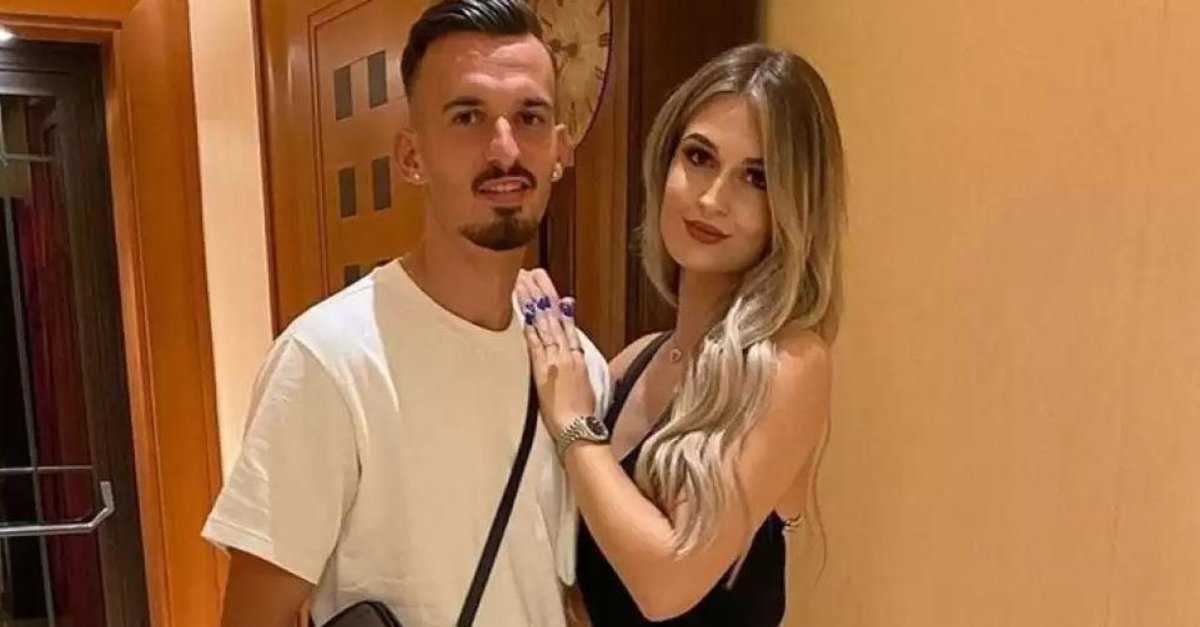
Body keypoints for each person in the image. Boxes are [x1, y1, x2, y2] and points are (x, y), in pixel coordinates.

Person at [202, 1, 609, 625]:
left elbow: (562, 594)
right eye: (468, 116)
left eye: (529, 117)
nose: (504, 148)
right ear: (412, 156)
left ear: (559, 150)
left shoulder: (578, 370)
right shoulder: (328, 360)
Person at [519, 43, 845, 625]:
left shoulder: (791, 361)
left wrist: (573, 421)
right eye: (699, 157)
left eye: (756, 178)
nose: (713, 199)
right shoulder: (634, 364)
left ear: (794, 204)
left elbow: (666, 584)